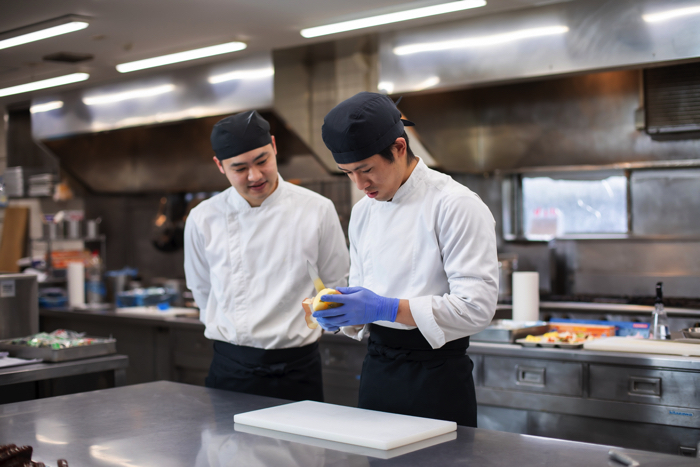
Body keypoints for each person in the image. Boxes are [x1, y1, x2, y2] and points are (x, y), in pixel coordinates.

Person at [313, 92, 498, 426]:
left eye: (366, 169)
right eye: (347, 173)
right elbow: (364, 293)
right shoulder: (363, 212)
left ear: (399, 147)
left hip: (436, 378)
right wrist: (343, 313)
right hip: (377, 372)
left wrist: (385, 308)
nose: (360, 184)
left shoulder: (455, 204)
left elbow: (476, 308)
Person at [184, 110, 349, 402]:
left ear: (274, 146)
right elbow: (202, 290)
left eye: (262, 161)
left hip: (298, 369)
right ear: (220, 166)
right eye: (239, 168)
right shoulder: (203, 218)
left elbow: (335, 283)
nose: (255, 176)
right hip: (231, 369)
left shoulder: (317, 209)